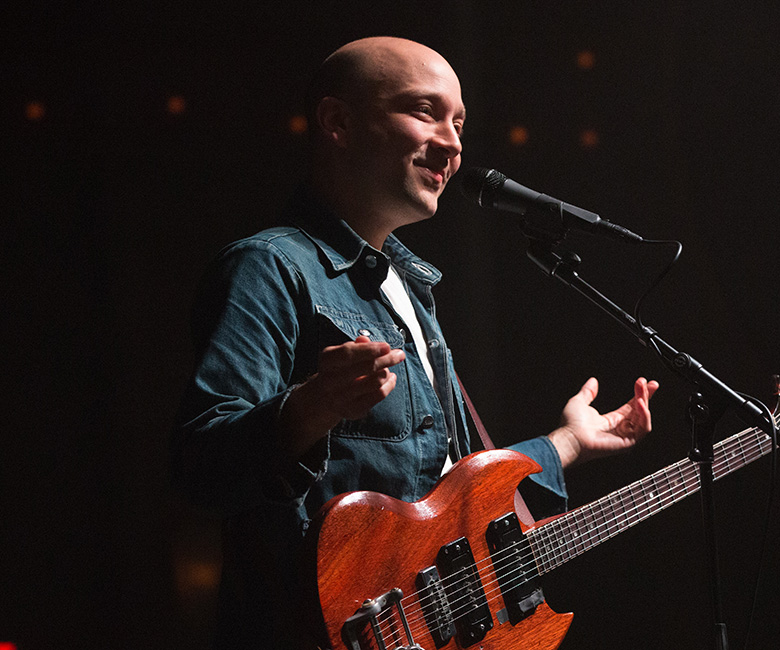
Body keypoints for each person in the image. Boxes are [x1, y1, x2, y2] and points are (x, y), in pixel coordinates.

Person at [173, 36, 659, 649]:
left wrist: (565, 445)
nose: (454, 143)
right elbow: (200, 464)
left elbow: (444, 496)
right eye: (425, 112)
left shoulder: (411, 288)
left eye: (459, 122)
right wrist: (309, 409)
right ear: (338, 123)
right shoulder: (269, 268)